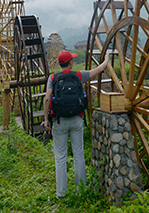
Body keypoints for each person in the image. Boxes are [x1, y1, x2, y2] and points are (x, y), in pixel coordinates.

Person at [43, 50, 109, 199]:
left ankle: (61, 193)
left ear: (60, 64)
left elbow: (47, 98)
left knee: (60, 157)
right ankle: (81, 190)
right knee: (79, 154)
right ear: (70, 63)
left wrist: (46, 119)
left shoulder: (53, 78)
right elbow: (99, 70)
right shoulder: (79, 75)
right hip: (77, 120)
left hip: (60, 121)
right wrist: (106, 59)